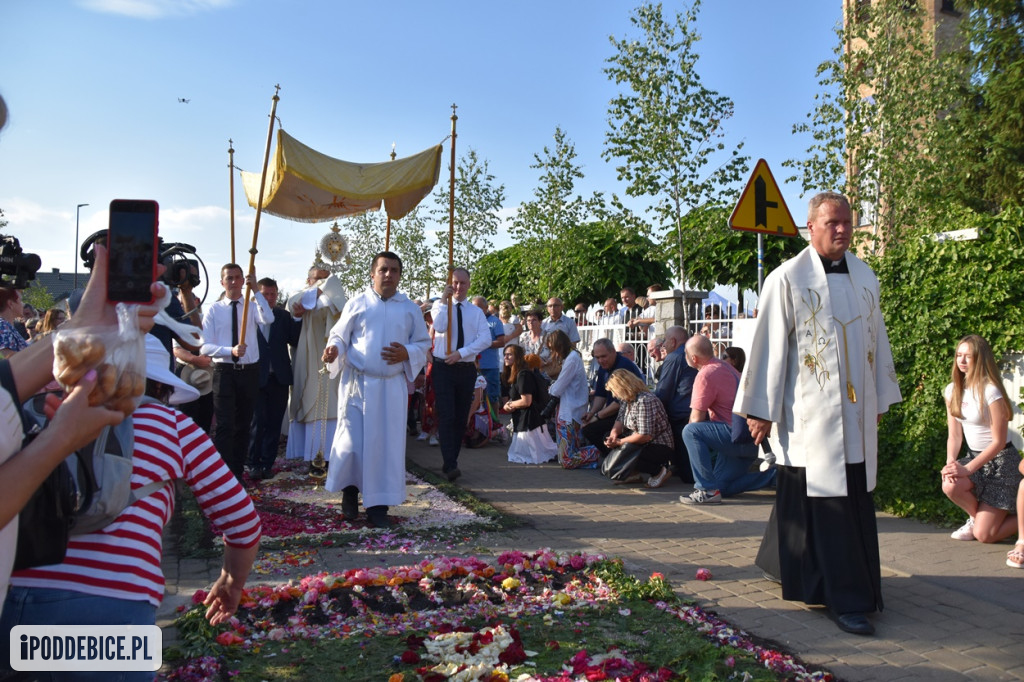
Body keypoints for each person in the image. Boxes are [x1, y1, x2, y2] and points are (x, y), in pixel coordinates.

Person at [1, 335, 261, 676]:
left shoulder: (41, 413)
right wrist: (231, 582)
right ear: (160, 384)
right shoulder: (173, 427)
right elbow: (242, 523)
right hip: (114, 609)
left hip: (15, 598)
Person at [734, 191, 903, 636]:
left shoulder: (867, 277)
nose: (843, 229)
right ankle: (843, 598)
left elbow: (876, 338)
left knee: (850, 502)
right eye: (833, 223)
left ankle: (821, 578)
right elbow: (768, 348)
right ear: (811, 227)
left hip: (855, 415)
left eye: (847, 221)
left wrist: (879, 396)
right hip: (809, 416)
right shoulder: (787, 278)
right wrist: (760, 410)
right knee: (817, 502)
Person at [322, 252, 430, 527]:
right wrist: (334, 349)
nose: (388, 275)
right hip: (357, 385)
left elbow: (423, 342)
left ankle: (378, 506)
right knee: (351, 444)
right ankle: (350, 493)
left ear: (399, 275)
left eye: (394, 270)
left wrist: (407, 352)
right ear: (372, 273)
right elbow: (339, 335)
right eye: (383, 269)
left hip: (390, 388)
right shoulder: (357, 303)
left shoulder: (409, 308)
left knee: (384, 447)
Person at [940, 335, 1021, 544]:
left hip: (1002, 462)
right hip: (974, 458)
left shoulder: (991, 391)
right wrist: (951, 463)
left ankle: (989, 523)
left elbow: (998, 441)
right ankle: (976, 518)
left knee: (985, 536)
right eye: (959, 355)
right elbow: (955, 435)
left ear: (981, 359)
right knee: (950, 484)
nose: (962, 361)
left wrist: (967, 469)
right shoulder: (952, 390)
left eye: (969, 356)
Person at [679, 334, 775, 504]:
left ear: (693, 358)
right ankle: (776, 477)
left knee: (690, 432)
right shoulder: (728, 368)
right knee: (721, 488)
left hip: (733, 439)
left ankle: (706, 490)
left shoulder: (705, 374)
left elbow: (696, 419)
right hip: (749, 440)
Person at [199, 264, 273, 482]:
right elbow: (204, 346)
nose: (233, 281)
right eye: (229, 278)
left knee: (244, 424)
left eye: (237, 277)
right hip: (225, 371)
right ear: (222, 282)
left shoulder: (251, 306)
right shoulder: (214, 310)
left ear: (243, 281)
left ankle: (238, 473)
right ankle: (224, 476)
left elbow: (269, 319)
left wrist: (257, 291)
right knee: (224, 425)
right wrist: (228, 351)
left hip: (249, 371)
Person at [429, 267, 492, 481]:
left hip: (465, 368)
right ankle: (450, 463)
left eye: (462, 283)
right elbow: (439, 327)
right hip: (443, 367)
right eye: (454, 282)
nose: (458, 287)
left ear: (469, 285)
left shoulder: (476, 312)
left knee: (460, 417)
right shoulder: (439, 306)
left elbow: (485, 339)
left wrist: (461, 353)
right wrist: (445, 303)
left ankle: (452, 458)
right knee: (446, 415)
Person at [286, 264, 346, 462]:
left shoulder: (333, 301)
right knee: (308, 399)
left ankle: (331, 456)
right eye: (317, 279)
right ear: (308, 280)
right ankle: (307, 454)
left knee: (332, 403)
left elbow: (339, 306)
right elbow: (298, 305)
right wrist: (321, 290)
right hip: (307, 360)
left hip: (333, 361)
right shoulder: (299, 297)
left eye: (325, 279)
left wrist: (326, 294)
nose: (321, 283)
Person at [248, 277, 301, 480]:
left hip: (278, 377)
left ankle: (267, 463)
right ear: (257, 295)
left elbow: (294, 340)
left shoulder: (283, 315)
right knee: (257, 421)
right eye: (265, 294)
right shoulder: (249, 315)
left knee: (274, 422)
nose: (270, 298)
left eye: (273, 294)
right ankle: (253, 462)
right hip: (255, 376)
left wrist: (297, 319)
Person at [601, 369, 676, 487]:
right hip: (640, 441)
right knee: (607, 438)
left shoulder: (645, 400)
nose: (614, 395)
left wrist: (620, 441)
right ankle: (633, 474)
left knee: (626, 453)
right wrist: (613, 435)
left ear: (623, 387)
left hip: (658, 445)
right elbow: (620, 420)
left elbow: (645, 435)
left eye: (614, 391)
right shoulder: (627, 400)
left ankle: (659, 471)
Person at [580, 338, 644, 457]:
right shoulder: (603, 368)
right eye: (597, 357)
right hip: (616, 413)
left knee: (591, 429)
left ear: (613, 352)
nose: (600, 360)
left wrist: (597, 416)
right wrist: (592, 412)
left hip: (629, 414)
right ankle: (613, 457)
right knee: (589, 428)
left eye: (603, 356)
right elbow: (601, 394)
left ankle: (617, 458)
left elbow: (621, 402)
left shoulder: (624, 366)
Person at [547, 330, 598, 469]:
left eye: (553, 348)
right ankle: (594, 455)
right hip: (571, 410)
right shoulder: (573, 357)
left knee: (566, 460)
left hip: (569, 412)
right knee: (567, 454)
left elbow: (557, 388)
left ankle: (598, 451)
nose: (553, 352)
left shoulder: (572, 360)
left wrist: (550, 389)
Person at [653, 326, 697, 483]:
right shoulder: (693, 353)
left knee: (687, 469)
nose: (663, 344)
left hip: (680, 415)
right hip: (695, 412)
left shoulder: (674, 357)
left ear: (673, 341)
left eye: (664, 340)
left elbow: (664, 390)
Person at [500, 346, 557, 465]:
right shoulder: (517, 374)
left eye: (510, 354)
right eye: (505, 354)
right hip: (524, 421)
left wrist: (509, 404)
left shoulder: (523, 375)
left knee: (526, 456)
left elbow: (526, 401)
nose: (506, 357)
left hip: (529, 422)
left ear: (518, 357)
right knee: (521, 456)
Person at [472, 295, 506, 408]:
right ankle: (476, 423)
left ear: (486, 307)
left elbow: (501, 342)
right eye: (474, 307)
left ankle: (494, 423)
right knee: (473, 397)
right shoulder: (470, 322)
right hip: (472, 365)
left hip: (490, 366)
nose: (476, 310)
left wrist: (484, 343)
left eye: (479, 307)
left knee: (492, 396)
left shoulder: (495, 322)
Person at [0, 287, 28, 358]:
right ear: (10, 304)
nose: (23, 304)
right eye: (20, 301)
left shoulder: (6, 325)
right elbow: (8, 357)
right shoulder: (2, 326)